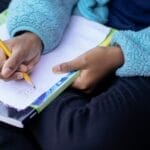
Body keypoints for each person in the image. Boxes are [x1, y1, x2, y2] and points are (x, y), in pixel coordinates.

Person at [0, 0, 150, 150]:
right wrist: (31, 34)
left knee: (85, 138)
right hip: (80, 24)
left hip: (143, 55)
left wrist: (121, 54)